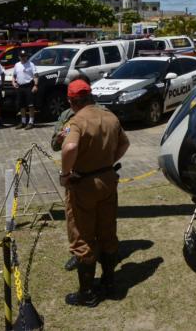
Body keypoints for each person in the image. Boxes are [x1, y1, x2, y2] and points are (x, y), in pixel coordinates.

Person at [59, 79, 129, 306]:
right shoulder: (110, 117)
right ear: (90, 96)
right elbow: (124, 144)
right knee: (107, 231)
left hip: (84, 183)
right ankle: (110, 283)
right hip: (108, 179)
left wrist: (65, 173)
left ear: (72, 101)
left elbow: (69, 147)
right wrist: (108, 162)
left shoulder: (75, 121)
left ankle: (87, 293)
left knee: (82, 235)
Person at [12, 50, 38, 129]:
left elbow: (36, 75)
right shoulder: (17, 65)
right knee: (21, 105)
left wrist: (36, 85)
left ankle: (31, 122)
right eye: (21, 56)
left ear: (27, 56)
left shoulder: (31, 64)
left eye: (24, 56)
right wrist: (13, 82)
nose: (23, 58)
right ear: (19, 57)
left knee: (30, 105)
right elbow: (14, 76)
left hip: (29, 86)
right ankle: (23, 122)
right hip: (20, 87)